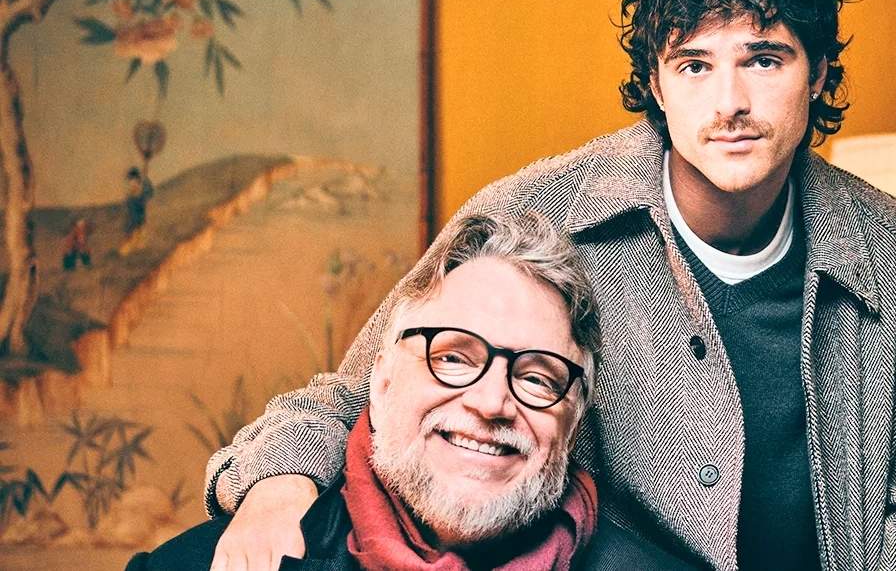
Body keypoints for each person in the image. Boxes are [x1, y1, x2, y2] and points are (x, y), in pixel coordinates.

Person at [206, 0, 896, 570]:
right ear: (654, 83)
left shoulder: (887, 245)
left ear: (820, 72)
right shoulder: (537, 211)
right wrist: (274, 484)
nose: (729, 102)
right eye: (693, 65)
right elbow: (365, 390)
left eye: (765, 59)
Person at [131, 214, 692, 570]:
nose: (492, 402)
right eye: (451, 357)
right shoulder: (216, 563)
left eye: (537, 377)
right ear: (379, 381)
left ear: (572, 424)